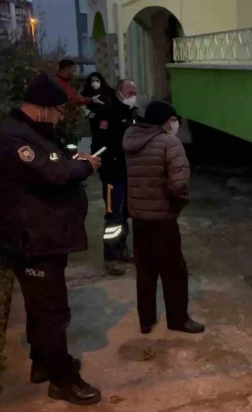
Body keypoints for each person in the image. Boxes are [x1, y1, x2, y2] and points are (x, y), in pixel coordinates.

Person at [0, 73, 103, 406]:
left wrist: (73, 162)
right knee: (52, 312)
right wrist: (86, 167)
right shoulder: (16, 140)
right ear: (42, 109)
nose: (60, 118)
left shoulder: (31, 132)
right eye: (58, 111)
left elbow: (53, 164)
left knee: (40, 308)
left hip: (43, 237)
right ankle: (63, 381)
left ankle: (42, 363)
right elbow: (53, 173)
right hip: (32, 241)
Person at [122, 100, 205, 335]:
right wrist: (179, 202)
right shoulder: (170, 143)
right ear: (164, 120)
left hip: (139, 217)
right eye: (173, 119)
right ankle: (178, 319)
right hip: (162, 219)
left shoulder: (131, 140)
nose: (175, 124)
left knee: (145, 271)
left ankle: (146, 320)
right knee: (174, 271)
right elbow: (178, 183)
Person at [90, 79, 139, 276]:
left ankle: (122, 250)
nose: (133, 96)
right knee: (114, 217)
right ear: (119, 92)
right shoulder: (107, 113)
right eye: (130, 93)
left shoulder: (132, 113)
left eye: (135, 93)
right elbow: (101, 145)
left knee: (125, 213)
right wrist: (106, 167)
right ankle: (111, 257)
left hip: (128, 173)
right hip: (113, 174)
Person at [81, 72, 114, 144]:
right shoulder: (86, 93)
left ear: (101, 81)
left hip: (106, 118)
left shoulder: (109, 91)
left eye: (97, 81)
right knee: (96, 138)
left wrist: (103, 104)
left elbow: (114, 104)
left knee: (105, 136)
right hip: (94, 119)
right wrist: (88, 113)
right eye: (92, 81)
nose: (94, 83)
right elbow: (81, 105)